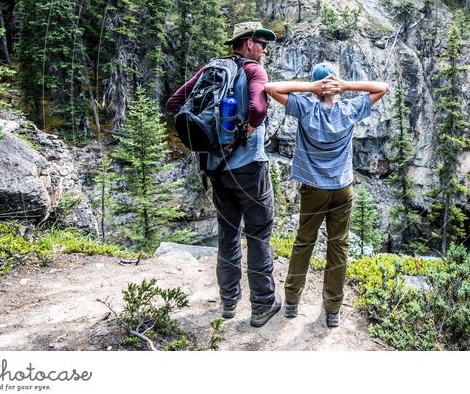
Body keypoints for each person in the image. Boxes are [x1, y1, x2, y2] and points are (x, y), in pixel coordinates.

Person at [165, 22, 283, 328]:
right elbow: (258, 107)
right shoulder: (254, 70)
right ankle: (262, 305)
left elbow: (174, 104)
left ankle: (229, 303)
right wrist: (251, 126)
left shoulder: (210, 70)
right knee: (258, 233)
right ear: (246, 44)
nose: (265, 49)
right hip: (249, 168)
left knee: (228, 234)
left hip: (216, 168)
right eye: (261, 42)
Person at [264, 63, 389, 328]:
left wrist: (310, 89)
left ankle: (292, 302)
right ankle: (332, 309)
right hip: (343, 188)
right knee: (339, 245)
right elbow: (383, 88)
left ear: (317, 86)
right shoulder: (349, 109)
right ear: (335, 85)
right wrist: (347, 86)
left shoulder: (306, 107)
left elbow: (270, 88)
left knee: (304, 242)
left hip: (314, 189)